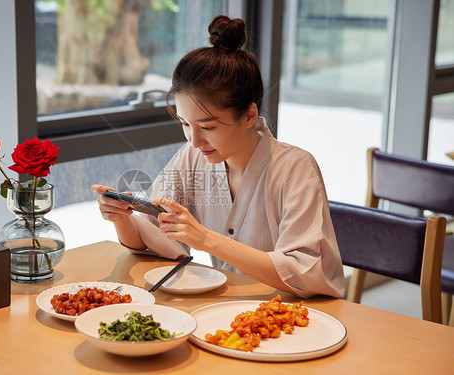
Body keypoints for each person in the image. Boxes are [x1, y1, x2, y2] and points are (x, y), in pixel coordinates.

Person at [92, 15, 344, 298]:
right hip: (226, 312)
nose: (194, 140)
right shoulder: (192, 157)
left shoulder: (295, 168)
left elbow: (306, 274)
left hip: (295, 317)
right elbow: (151, 239)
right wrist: (123, 219)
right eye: (185, 124)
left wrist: (207, 239)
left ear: (249, 115)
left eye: (208, 126)